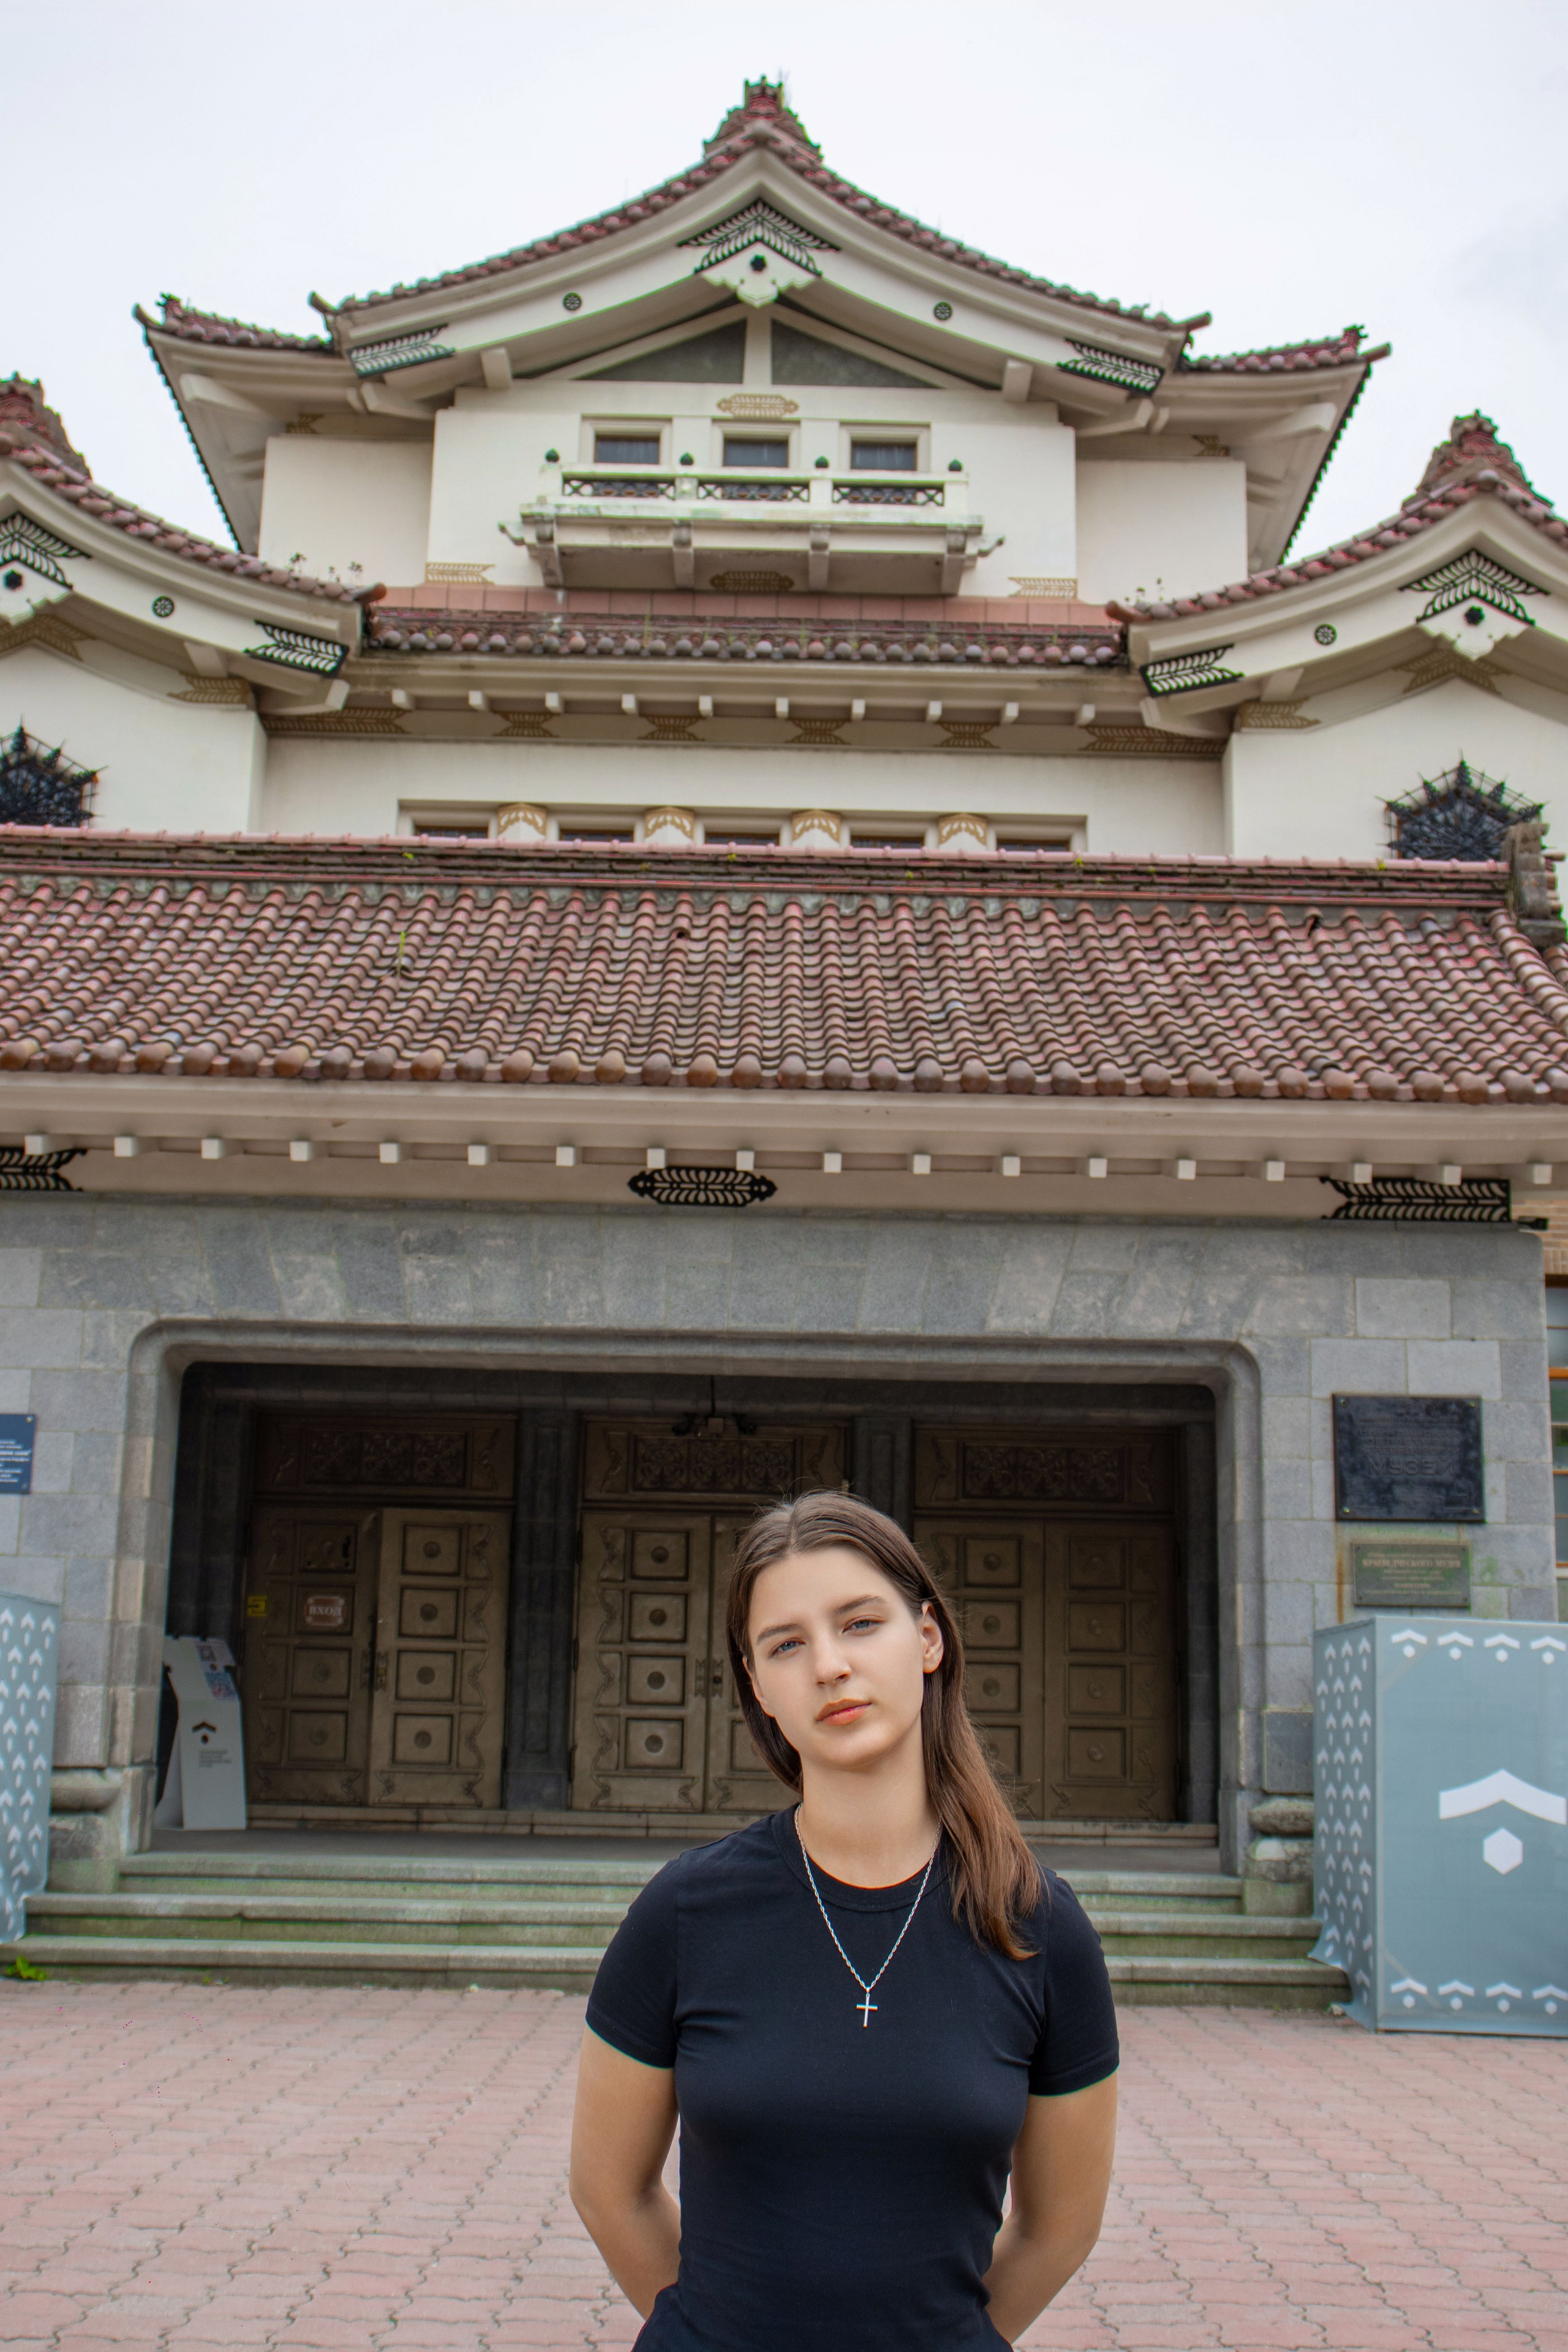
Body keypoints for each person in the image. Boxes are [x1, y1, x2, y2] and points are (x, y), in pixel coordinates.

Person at [569, 1491, 1119, 2351]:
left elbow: (1060, 2226)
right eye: (786, 1644)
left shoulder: (1038, 1927)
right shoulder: (684, 1912)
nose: (829, 1665)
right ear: (758, 1685)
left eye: (860, 1624)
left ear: (928, 1640)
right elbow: (611, 2189)